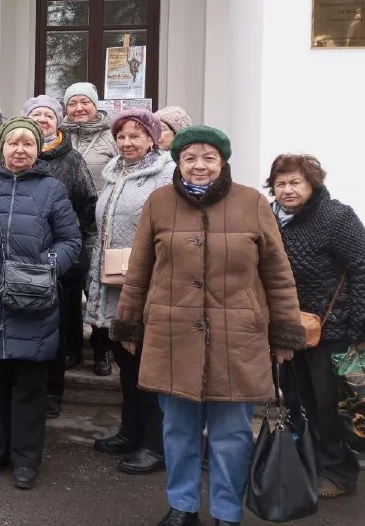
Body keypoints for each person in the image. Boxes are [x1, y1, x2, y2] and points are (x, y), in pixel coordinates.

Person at [112, 126, 306, 526]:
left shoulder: (252, 203)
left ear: (223, 161)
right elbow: (140, 269)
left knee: (231, 435)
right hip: (172, 335)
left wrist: (285, 330)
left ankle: (226, 511)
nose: (199, 166)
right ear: (178, 162)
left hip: (238, 339)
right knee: (177, 431)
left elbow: (278, 273)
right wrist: (129, 323)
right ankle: (182, 506)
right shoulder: (159, 202)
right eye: (190, 158)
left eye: (209, 158)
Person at [0, 117, 82, 489]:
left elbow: (71, 241)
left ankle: (26, 459)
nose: (20, 150)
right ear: (2, 148)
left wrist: (46, 266)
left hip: (33, 301)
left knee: (29, 386)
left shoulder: (52, 189)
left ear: (38, 149)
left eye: (28, 144)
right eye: (14, 143)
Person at [269, 153, 365, 499]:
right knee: (297, 401)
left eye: (295, 182)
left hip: (334, 331)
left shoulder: (336, 217)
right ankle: (309, 464)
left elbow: (364, 267)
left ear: (312, 184)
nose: (287, 190)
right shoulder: (270, 219)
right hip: (289, 329)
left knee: (329, 406)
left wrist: (362, 327)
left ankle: (339, 473)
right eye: (280, 183)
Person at [86, 108, 173, 474]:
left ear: (152, 139)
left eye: (135, 135)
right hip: (114, 282)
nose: (127, 142)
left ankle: (155, 444)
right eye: (121, 136)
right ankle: (131, 431)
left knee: (147, 366)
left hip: (147, 283)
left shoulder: (166, 174)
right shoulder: (114, 172)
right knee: (126, 360)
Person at [22, 95, 97, 418]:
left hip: (59, 257)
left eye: (48, 115)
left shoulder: (72, 159)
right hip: (20, 255)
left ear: (57, 121)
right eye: (36, 114)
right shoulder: (16, 152)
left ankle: (53, 391)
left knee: (57, 326)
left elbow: (88, 204)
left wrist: (72, 243)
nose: (42, 119)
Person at [62, 82, 117, 375]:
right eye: (72, 103)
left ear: (96, 105)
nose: (79, 108)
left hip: (101, 226)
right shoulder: (59, 136)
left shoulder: (112, 137)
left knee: (99, 287)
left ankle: (102, 349)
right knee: (69, 288)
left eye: (85, 102)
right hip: (67, 226)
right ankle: (71, 347)